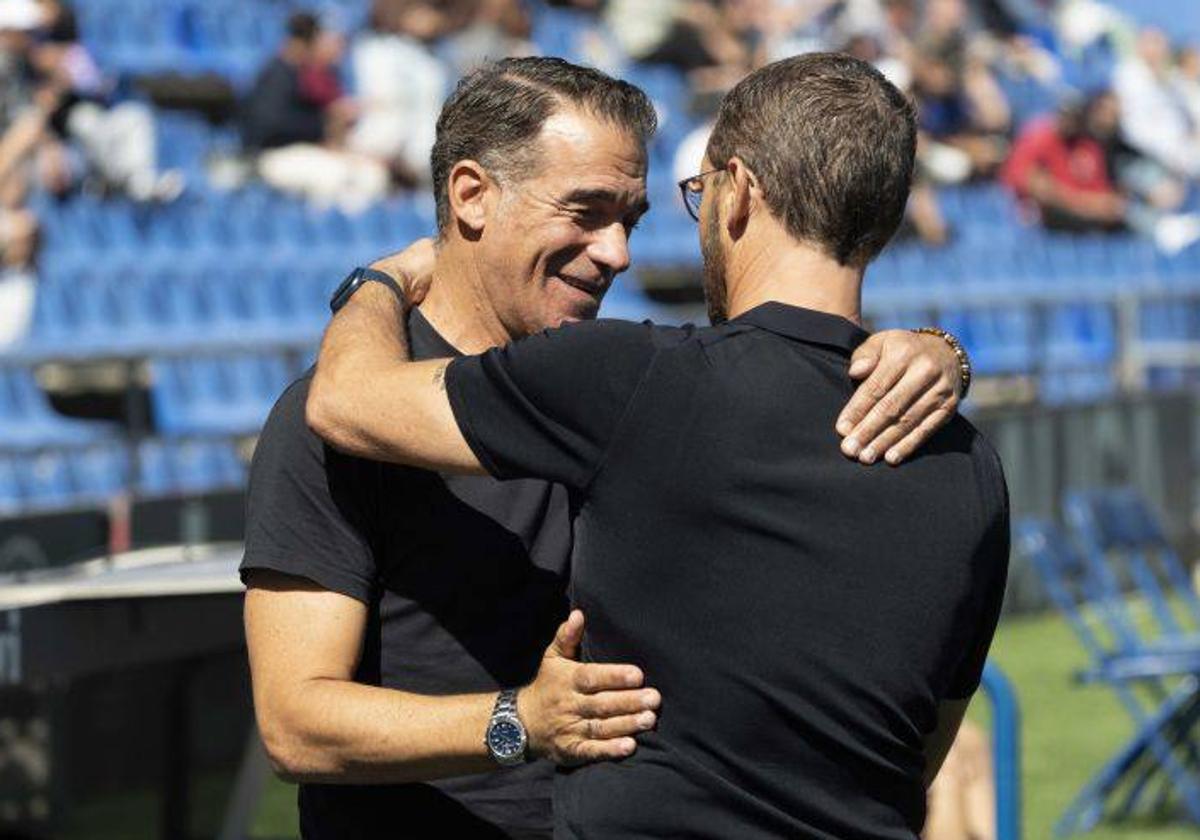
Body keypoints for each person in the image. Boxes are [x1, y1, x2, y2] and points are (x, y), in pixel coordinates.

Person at [244, 56, 974, 840]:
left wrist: (937, 351)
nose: (617, 253)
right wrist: (516, 722)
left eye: (631, 219)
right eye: (587, 212)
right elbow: (295, 724)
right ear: (472, 195)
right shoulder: (331, 422)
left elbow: (787, 365)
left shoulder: (626, 390)